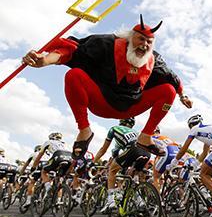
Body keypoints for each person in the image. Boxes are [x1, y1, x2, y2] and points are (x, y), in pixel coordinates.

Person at [22, 14, 192, 162]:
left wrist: (183, 95)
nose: (145, 45)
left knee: (169, 89)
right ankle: (84, 130)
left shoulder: (153, 60)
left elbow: (173, 78)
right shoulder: (105, 43)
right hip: (102, 102)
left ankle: (146, 136)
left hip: (130, 107)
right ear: (130, 37)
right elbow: (71, 51)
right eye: (141, 39)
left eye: (149, 42)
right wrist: (44, 61)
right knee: (74, 75)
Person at [97, 118, 153, 213]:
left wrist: (94, 162)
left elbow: (105, 150)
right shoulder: (135, 132)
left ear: (121, 122)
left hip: (133, 150)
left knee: (112, 170)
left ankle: (111, 201)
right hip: (147, 152)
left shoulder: (114, 129)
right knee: (131, 179)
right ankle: (140, 201)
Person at [24, 132, 70, 207]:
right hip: (69, 157)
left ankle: (48, 187)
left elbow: (39, 156)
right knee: (60, 181)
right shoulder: (63, 144)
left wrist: (33, 167)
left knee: (43, 171)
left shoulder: (48, 142)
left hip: (58, 156)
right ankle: (58, 201)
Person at [151, 127, 181, 191]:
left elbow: (157, 154)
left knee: (156, 176)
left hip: (168, 151)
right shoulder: (164, 137)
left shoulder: (151, 137)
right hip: (177, 152)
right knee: (168, 176)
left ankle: (157, 199)